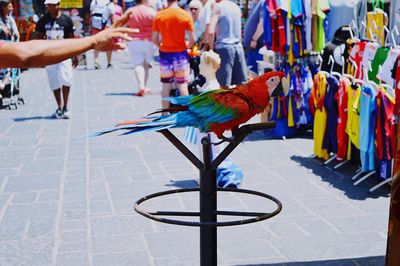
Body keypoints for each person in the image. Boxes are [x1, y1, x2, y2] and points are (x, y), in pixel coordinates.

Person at [0, 11, 137, 68]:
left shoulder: (66, 19)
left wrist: (89, 43)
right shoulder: (43, 20)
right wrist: (92, 41)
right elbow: (25, 54)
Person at [36, 0, 77, 119]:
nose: (50, 8)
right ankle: (59, 106)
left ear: (58, 5)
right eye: (48, 6)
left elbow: (71, 38)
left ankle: (65, 107)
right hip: (49, 55)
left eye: (52, 5)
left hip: (64, 54)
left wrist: (74, 55)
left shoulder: (66, 20)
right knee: (53, 81)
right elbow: (39, 38)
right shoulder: (43, 20)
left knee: (66, 78)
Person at [152, 0, 196, 110]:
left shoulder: (159, 15)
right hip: (180, 54)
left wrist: (161, 45)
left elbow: (154, 38)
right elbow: (192, 39)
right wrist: (186, 45)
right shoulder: (185, 15)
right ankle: (186, 113)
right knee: (182, 85)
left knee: (166, 85)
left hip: (165, 54)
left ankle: (164, 113)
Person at [208, 0, 247, 87]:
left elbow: (211, 31)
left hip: (224, 48)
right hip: (238, 47)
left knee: (223, 86)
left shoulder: (217, 7)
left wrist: (211, 49)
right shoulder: (236, 7)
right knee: (241, 85)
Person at [125, 0, 156, 96]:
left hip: (134, 40)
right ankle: (144, 86)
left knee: (138, 64)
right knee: (146, 64)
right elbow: (157, 25)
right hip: (149, 41)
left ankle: (141, 86)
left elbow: (123, 24)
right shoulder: (151, 11)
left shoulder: (130, 11)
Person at [90, 0, 115, 68]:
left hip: (96, 27)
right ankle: (109, 62)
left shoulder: (94, 2)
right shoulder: (110, 4)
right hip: (106, 26)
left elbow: (91, 15)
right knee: (109, 44)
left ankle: (96, 61)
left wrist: (90, 26)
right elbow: (112, 18)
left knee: (96, 43)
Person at [243, 0, 263, 79]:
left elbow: (262, 24)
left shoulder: (262, 3)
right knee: (252, 74)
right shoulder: (254, 4)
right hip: (252, 47)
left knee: (259, 75)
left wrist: (254, 39)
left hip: (257, 46)